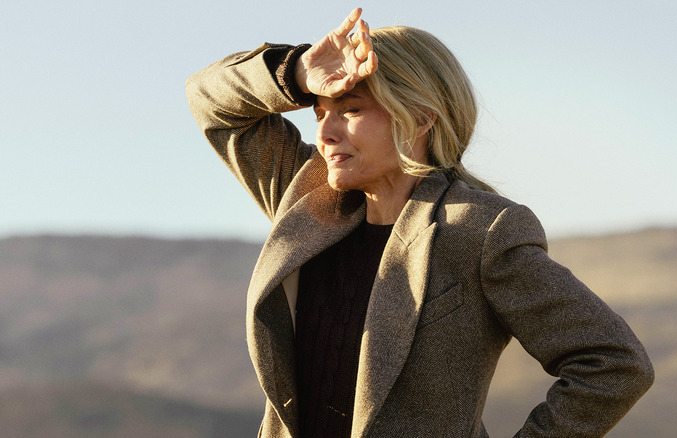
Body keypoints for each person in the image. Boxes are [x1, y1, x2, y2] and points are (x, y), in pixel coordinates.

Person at [186, 8, 653, 437]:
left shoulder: (481, 230)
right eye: (321, 112)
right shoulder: (304, 196)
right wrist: (299, 71)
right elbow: (208, 100)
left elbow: (613, 363)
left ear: (419, 117)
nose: (326, 133)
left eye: (351, 110)